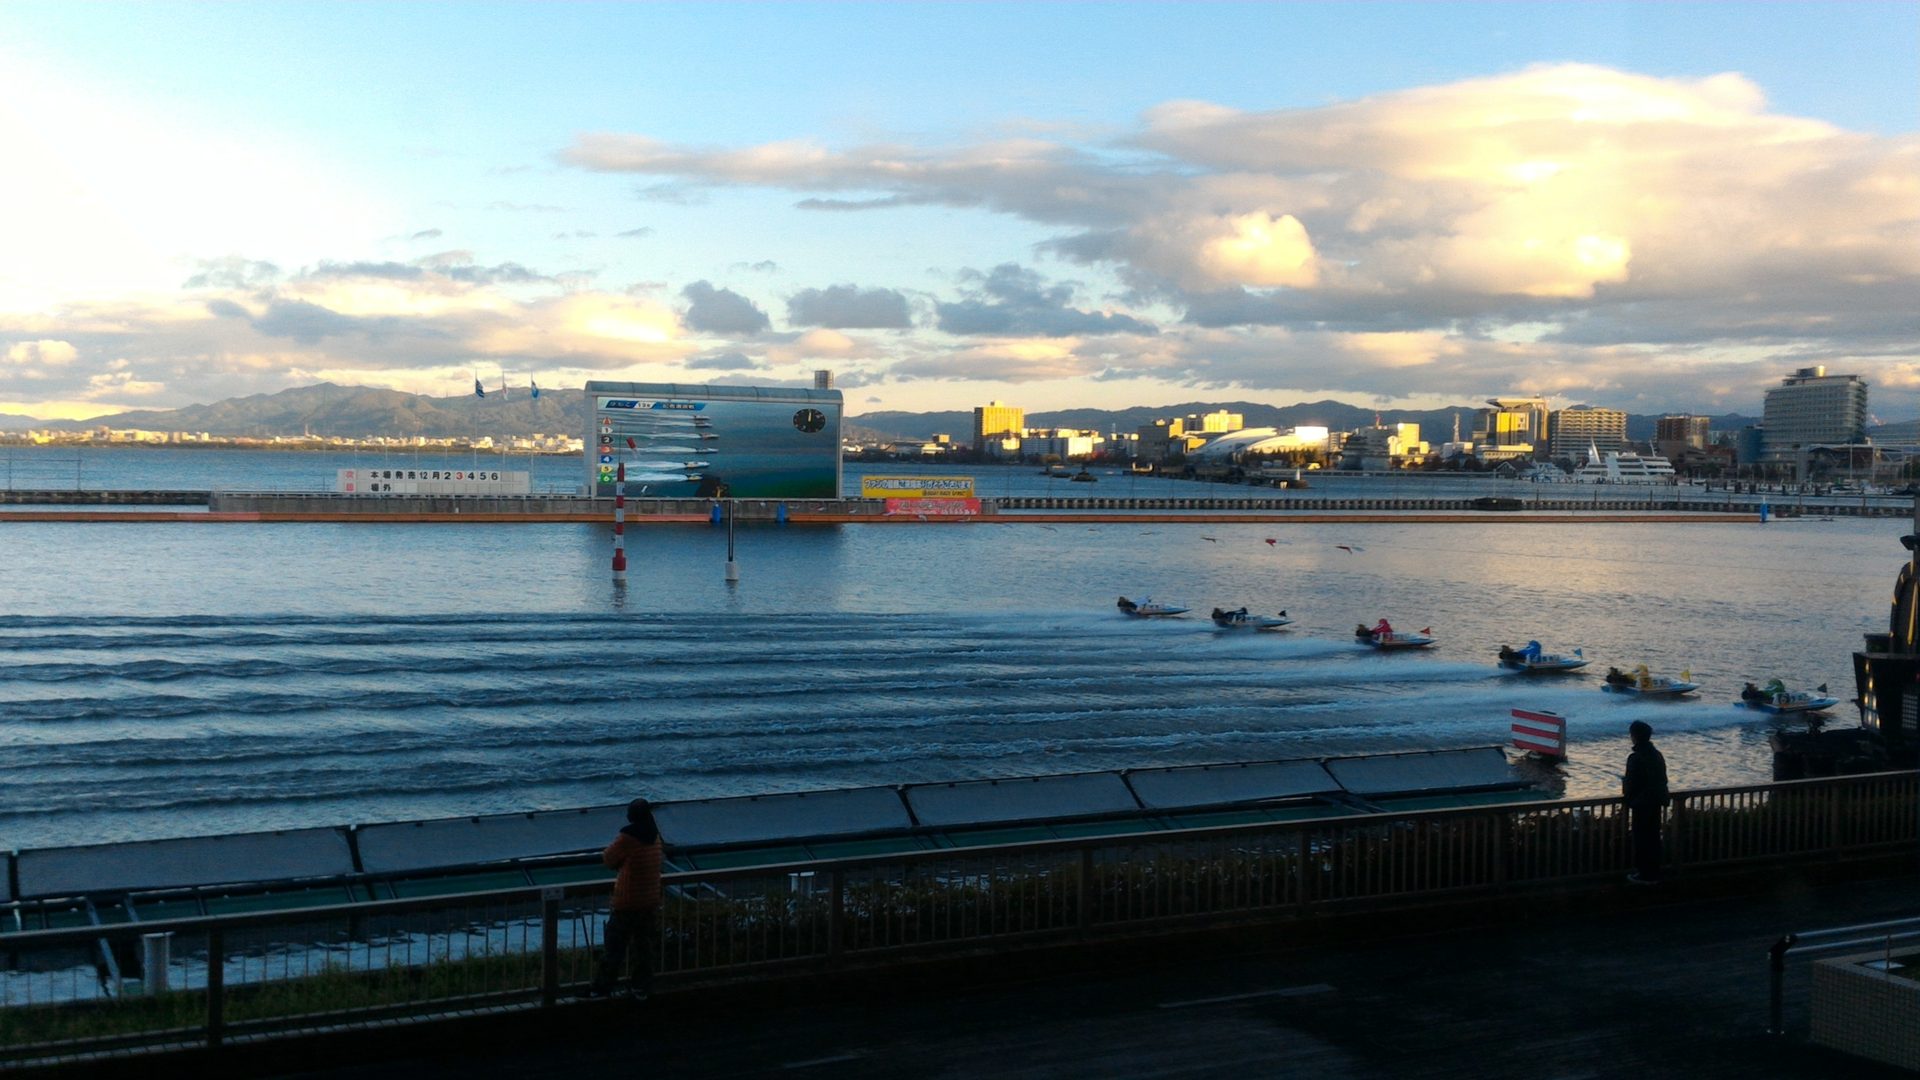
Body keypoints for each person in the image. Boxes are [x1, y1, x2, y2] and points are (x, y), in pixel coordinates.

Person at [592, 797, 664, 998]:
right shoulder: (655, 836)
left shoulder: (628, 836)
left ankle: (603, 987)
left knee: (614, 947)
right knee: (643, 948)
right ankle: (641, 987)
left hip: (628, 900)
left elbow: (608, 858)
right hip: (649, 900)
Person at [1621, 721, 1670, 883]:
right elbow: (1663, 779)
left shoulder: (1635, 758)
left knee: (1641, 839)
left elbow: (1631, 783)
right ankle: (1654, 871)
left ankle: (1644, 874)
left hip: (1641, 804)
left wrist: (1628, 797)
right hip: (1656, 802)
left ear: (1634, 736)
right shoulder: (1657, 755)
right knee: (1654, 837)